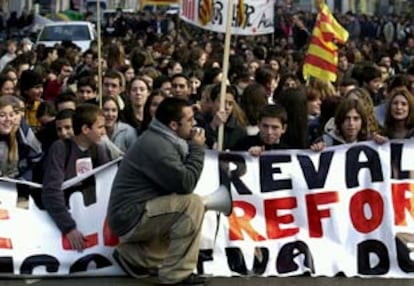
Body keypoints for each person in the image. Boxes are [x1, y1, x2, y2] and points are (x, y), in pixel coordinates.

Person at [107, 97, 207, 285]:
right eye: (190, 120)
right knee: (192, 204)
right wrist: (197, 149)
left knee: (185, 215)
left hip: (132, 213)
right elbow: (186, 183)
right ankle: (177, 275)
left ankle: (134, 257)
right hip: (130, 216)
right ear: (174, 125)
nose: (194, 124)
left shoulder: (161, 138)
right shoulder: (158, 146)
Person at [41, 103, 109, 251]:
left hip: (91, 219)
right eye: (100, 127)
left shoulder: (98, 149)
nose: (104, 131)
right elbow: (51, 192)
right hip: (66, 220)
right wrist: (69, 228)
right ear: (85, 129)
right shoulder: (60, 148)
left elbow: (107, 184)